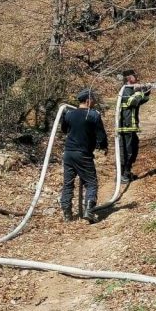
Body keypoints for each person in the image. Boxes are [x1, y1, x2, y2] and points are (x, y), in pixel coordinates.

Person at [60, 88, 108, 223]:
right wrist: (103, 146)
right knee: (91, 182)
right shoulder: (93, 115)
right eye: (93, 99)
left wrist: (66, 119)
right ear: (88, 100)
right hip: (83, 154)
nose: (94, 101)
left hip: (68, 153)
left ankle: (67, 213)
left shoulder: (69, 114)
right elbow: (101, 136)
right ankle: (89, 211)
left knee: (68, 184)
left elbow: (64, 130)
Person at [117, 70, 152, 182]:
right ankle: (122, 175)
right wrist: (138, 91)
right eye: (135, 76)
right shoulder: (125, 91)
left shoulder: (130, 90)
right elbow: (134, 101)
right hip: (126, 127)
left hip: (131, 127)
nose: (137, 78)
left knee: (134, 149)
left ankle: (127, 172)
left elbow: (143, 99)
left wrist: (147, 91)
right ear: (129, 78)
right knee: (127, 151)